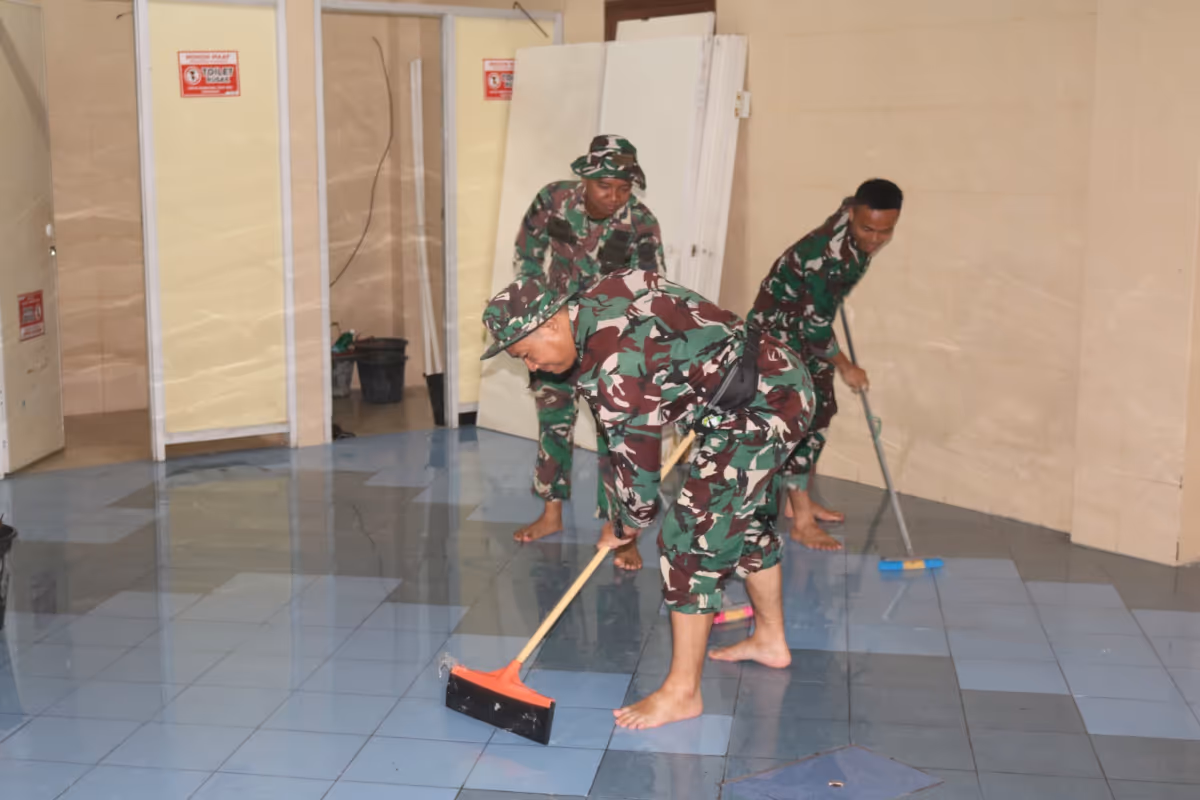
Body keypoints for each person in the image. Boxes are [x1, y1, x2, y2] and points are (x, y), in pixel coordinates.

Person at [480, 268, 814, 730]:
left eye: (527, 355)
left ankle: (683, 692)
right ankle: (771, 640)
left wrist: (622, 524)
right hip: (770, 381)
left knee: (689, 541)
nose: (532, 368)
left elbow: (639, 482)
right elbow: (651, 289)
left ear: (551, 324)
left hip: (762, 406)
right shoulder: (597, 297)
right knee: (743, 521)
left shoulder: (614, 366)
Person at [510, 135, 666, 572]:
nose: (615, 197)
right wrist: (535, 305)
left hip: (607, 342)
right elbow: (527, 252)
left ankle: (622, 531)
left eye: (624, 188)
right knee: (553, 424)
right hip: (554, 334)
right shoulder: (554, 199)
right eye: (606, 187)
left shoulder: (641, 223)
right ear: (586, 178)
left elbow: (650, 289)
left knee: (613, 437)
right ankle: (551, 513)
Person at [748, 179, 903, 552]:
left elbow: (818, 319)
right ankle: (801, 521)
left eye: (886, 231)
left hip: (804, 328)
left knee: (821, 412)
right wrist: (847, 366)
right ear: (853, 216)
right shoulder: (827, 258)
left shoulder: (852, 218)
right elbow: (816, 330)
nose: (875, 239)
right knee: (804, 418)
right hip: (779, 334)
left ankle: (798, 498)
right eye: (867, 229)